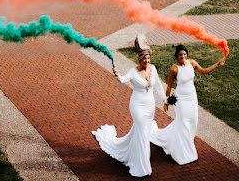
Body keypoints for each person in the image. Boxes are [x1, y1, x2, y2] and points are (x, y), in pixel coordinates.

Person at [93, 37, 166, 177]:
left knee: (142, 132)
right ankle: (141, 166)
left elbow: (158, 86)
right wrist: (117, 74)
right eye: (144, 59)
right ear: (140, 59)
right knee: (142, 132)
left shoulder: (153, 69)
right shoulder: (133, 72)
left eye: (149, 59)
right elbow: (122, 80)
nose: (147, 61)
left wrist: (164, 100)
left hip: (150, 106)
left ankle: (134, 155)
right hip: (137, 106)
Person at [152, 45, 226, 165]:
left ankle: (183, 141)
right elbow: (169, 86)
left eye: (185, 54)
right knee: (183, 123)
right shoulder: (174, 69)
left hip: (192, 97)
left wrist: (217, 64)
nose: (183, 56)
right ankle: (183, 151)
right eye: (181, 55)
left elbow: (204, 71)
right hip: (180, 99)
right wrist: (166, 101)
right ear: (177, 56)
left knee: (193, 121)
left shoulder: (192, 63)